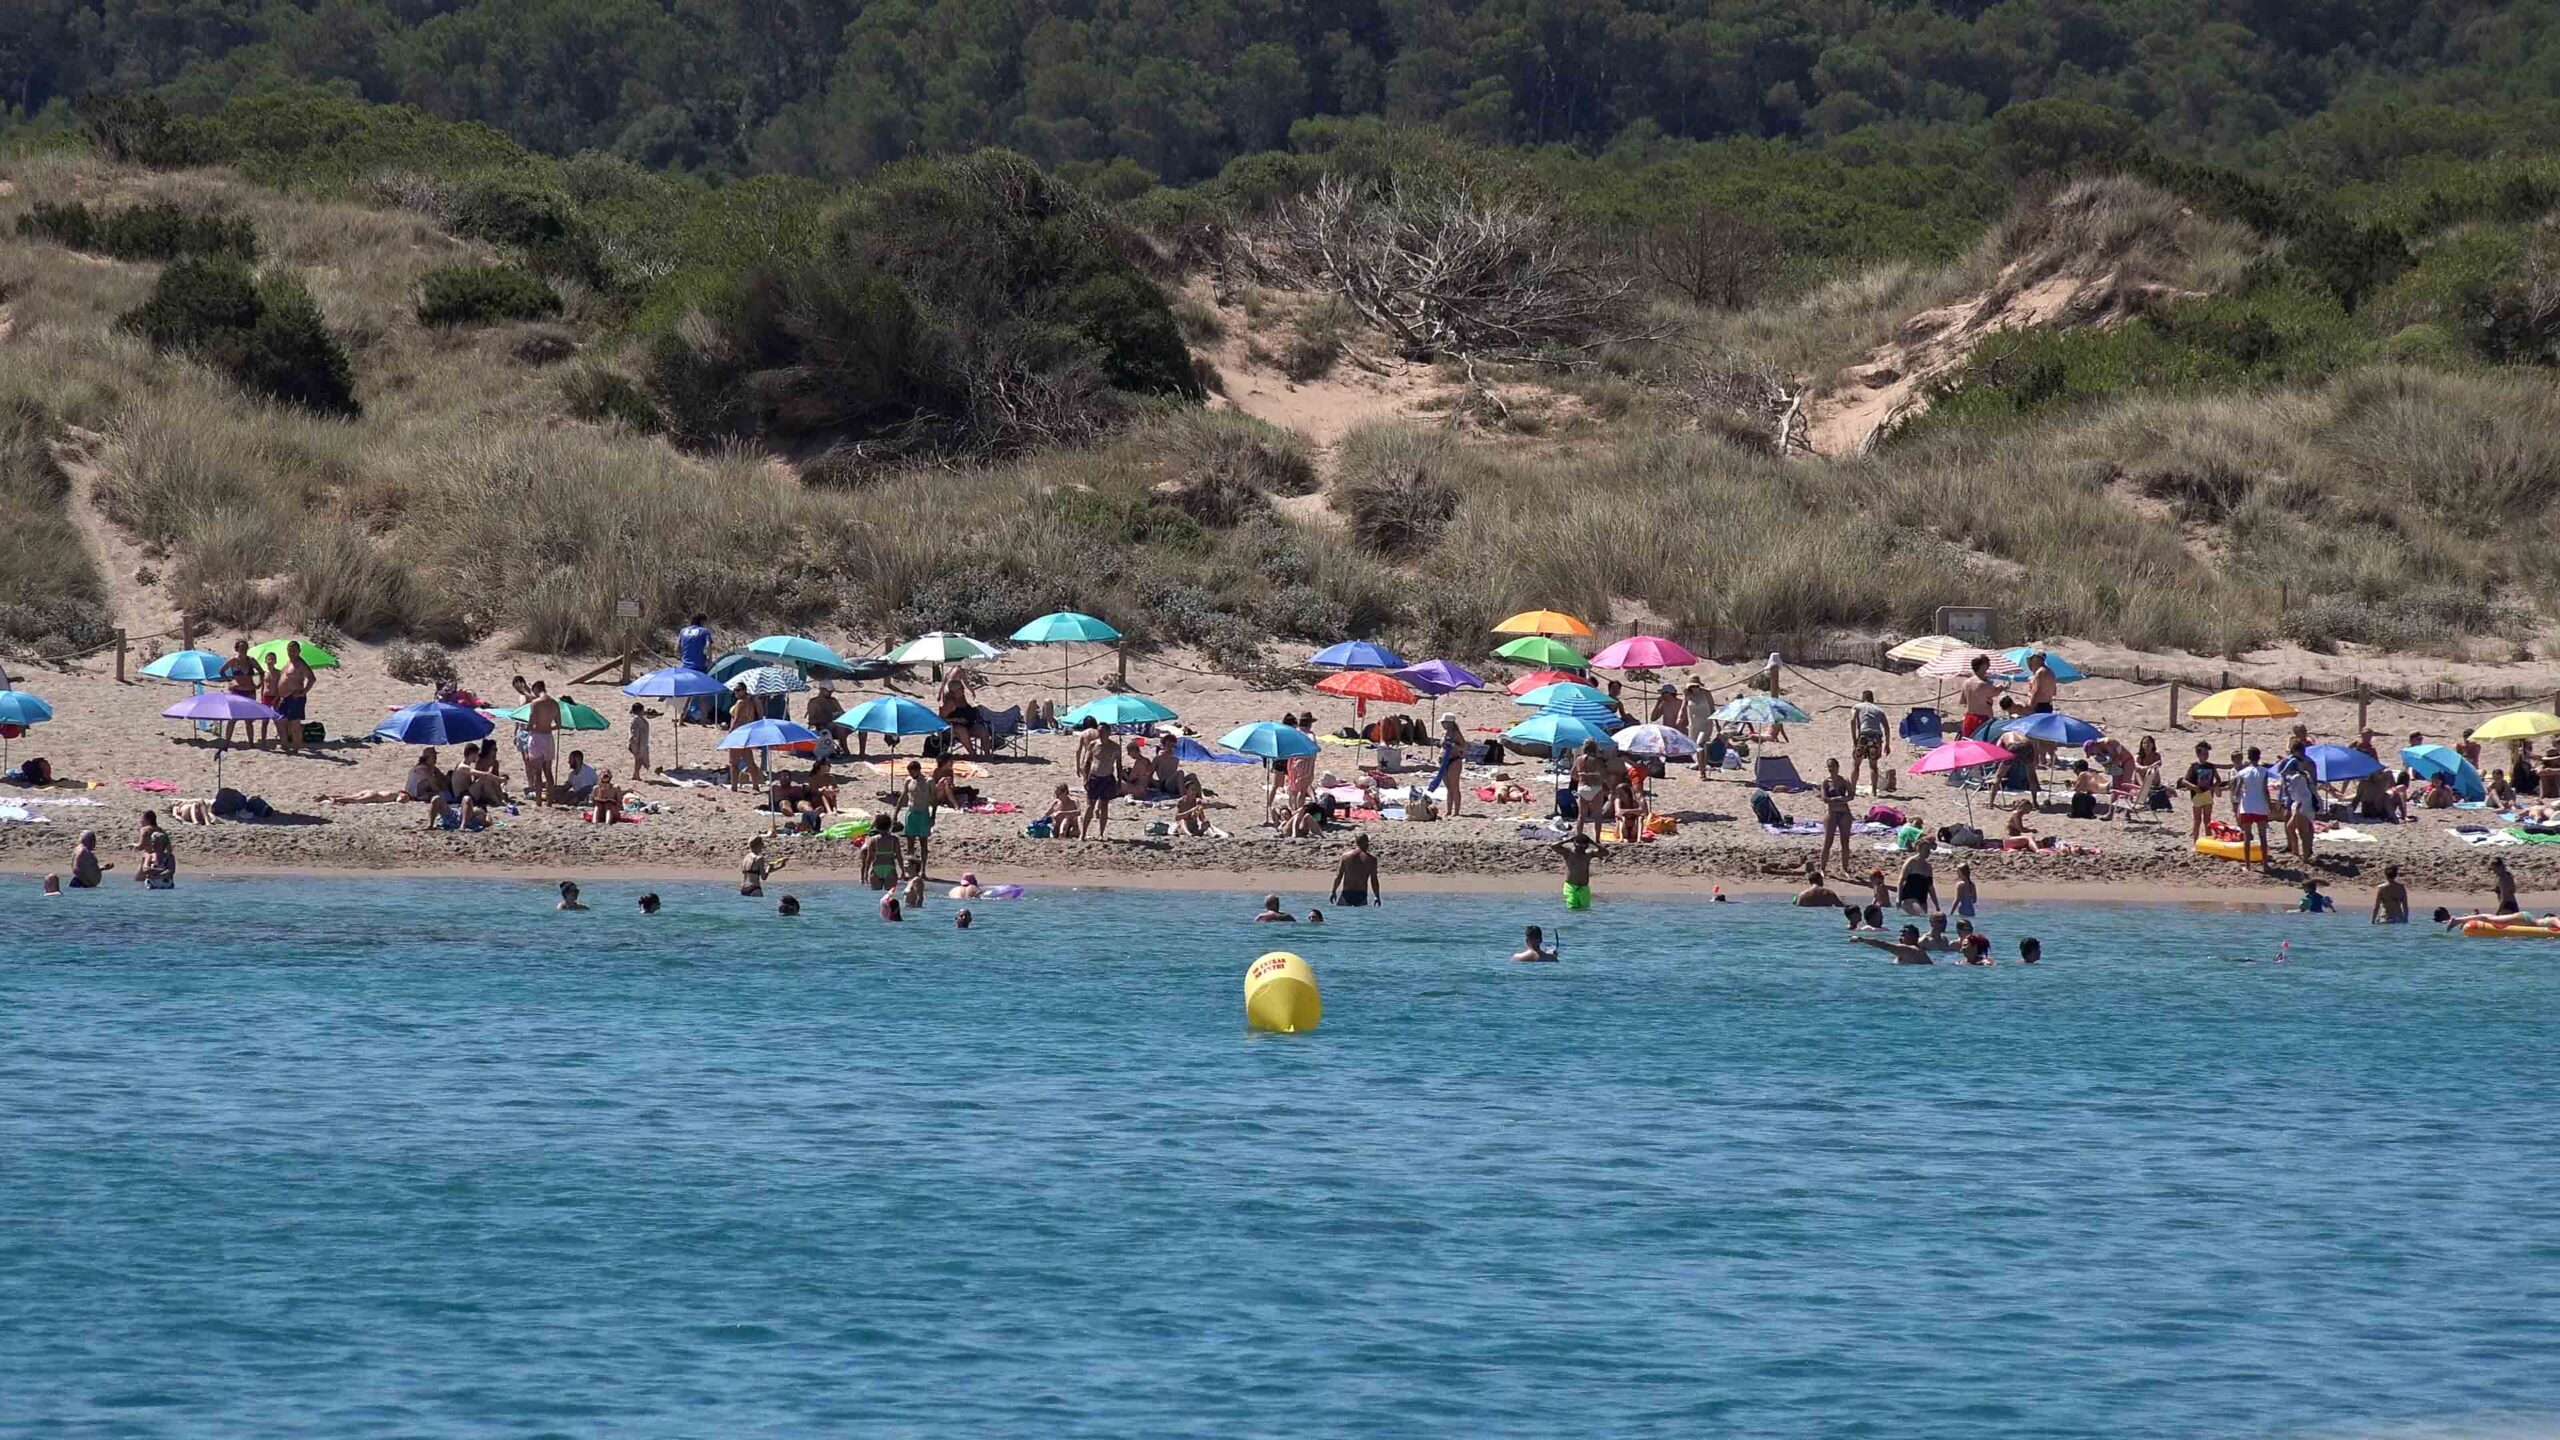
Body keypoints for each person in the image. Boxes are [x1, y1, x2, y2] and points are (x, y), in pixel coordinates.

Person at [1075, 718, 1122, 840]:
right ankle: (1083, 834)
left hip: (1107, 778)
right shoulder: (1093, 744)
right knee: (1090, 806)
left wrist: (1119, 782)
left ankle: (1101, 833)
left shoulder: (1115, 747)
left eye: (1102, 732)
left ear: (1108, 733)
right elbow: (1088, 762)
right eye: (1099, 731)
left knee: (1104, 806)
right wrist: (1085, 779)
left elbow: (1119, 765)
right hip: (1095, 778)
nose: (1100, 734)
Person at [2232, 747, 2272, 869]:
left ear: (2248, 758)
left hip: (2247, 806)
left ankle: (2248, 865)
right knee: (2263, 836)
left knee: (2247, 836)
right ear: (2259, 757)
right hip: (2260, 806)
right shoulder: (2264, 771)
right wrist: (2269, 805)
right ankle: (2265, 864)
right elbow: (2265, 790)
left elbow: (2237, 791)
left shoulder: (2243, 773)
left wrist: (2237, 804)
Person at [523, 681, 562, 804]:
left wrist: (528, 728)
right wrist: (548, 728)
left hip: (537, 737)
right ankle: (550, 800)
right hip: (548, 737)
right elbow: (559, 724)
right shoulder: (555, 704)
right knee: (548, 771)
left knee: (537, 772)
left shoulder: (536, 703)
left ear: (536, 689)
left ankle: (539, 800)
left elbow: (531, 723)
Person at [220, 638, 262, 746]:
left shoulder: (251, 660)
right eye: (241, 647)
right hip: (236, 692)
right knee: (233, 718)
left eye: (245, 647)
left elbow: (261, 671)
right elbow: (222, 670)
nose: (243, 649)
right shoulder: (233, 661)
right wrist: (229, 681)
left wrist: (259, 684)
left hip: (249, 691)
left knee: (248, 720)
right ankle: (227, 742)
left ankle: (251, 743)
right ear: (237, 648)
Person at [1847, 690, 1890, 796]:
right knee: (1873, 765)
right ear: (1872, 699)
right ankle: (1874, 791)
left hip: (1864, 735)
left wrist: (1854, 738)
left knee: (1856, 764)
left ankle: (1852, 789)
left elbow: (1852, 720)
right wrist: (1887, 744)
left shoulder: (1857, 706)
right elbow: (1886, 727)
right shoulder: (1879, 710)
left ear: (1862, 698)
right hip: (1876, 737)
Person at [276, 641, 316, 752]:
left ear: (299, 651)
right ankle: (284, 744)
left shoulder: (301, 664)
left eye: (294, 650)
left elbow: (312, 678)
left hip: (295, 698)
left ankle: (296, 748)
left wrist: (303, 692)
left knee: (294, 724)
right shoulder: (288, 662)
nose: (291, 652)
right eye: (290, 650)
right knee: (281, 720)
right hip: (284, 697)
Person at [1818, 757, 1854, 874]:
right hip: (1832, 813)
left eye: (1833, 766)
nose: (1831, 769)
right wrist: (1835, 799)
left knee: (1845, 841)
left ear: (1838, 767)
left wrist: (1841, 799)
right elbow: (1824, 798)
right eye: (1829, 767)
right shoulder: (1826, 782)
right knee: (1828, 841)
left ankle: (1845, 868)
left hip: (1844, 813)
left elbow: (1851, 796)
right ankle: (1822, 868)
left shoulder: (1844, 780)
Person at [1329, 832, 1383, 908]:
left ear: (1356, 842)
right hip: (1361, 894)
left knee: (1342, 916)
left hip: (1347, 893)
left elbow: (1339, 876)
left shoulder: (1346, 857)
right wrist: (1377, 896)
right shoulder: (1371, 860)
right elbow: (1374, 880)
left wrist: (1333, 891)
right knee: (1361, 918)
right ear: (1366, 842)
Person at [900, 759, 937, 870]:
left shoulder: (928, 781)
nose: (911, 775)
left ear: (918, 770)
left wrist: (933, 816)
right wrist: (896, 812)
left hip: (923, 813)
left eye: (912, 772)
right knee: (910, 843)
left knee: (923, 843)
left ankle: (923, 870)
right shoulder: (908, 780)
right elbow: (903, 796)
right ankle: (910, 869)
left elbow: (934, 800)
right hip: (911, 813)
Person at [1551, 832, 1600, 911]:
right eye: (1578, 846)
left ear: (1587, 846)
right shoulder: (1568, 853)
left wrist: (1593, 843)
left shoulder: (1589, 854)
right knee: (1572, 910)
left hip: (1584, 888)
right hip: (1571, 887)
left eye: (1583, 847)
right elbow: (1553, 846)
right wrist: (1567, 840)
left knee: (1585, 910)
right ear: (1574, 844)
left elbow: (1605, 852)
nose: (1581, 849)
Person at [1958, 654, 2000, 738]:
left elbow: (1963, 701)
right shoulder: (1982, 684)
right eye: (1987, 665)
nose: (1988, 667)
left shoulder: (1967, 682)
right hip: (1981, 719)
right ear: (1982, 666)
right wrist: (2002, 688)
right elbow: (1995, 692)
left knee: (1969, 745)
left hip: (1968, 717)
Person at [1851, 925, 1935, 964]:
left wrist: (1861, 939)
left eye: (1904, 933)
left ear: (1915, 937)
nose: (1901, 935)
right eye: (1900, 933)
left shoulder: (1909, 949)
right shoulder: (1917, 951)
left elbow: (1883, 945)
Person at [1434, 715, 1465, 817]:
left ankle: (1456, 811)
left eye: (1444, 722)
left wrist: (1452, 745)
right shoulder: (1444, 733)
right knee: (1448, 788)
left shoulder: (1456, 734)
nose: (1442, 724)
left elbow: (1464, 747)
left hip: (1454, 760)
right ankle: (1448, 810)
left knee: (1454, 787)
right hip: (1443, 761)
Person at [1896, 845, 1939, 914]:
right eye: (1926, 850)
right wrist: (1898, 898)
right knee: (1921, 915)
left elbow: (1930, 888)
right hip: (1909, 898)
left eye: (1929, 851)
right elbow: (1901, 880)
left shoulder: (1928, 867)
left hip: (1922, 899)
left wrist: (1937, 905)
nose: (1928, 853)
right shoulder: (1911, 862)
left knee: (1923, 920)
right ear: (1919, 850)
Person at [628, 703, 655, 777]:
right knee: (638, 759)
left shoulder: (637, 719)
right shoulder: (636, 719)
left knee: (638, 758)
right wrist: (634, 742)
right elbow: (634, 732)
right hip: (637, 742)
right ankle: (636, 774)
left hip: (640, 742)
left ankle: (635, 774)